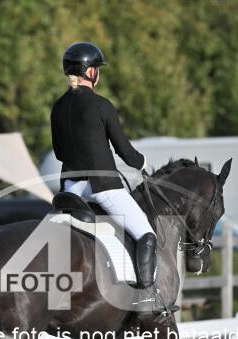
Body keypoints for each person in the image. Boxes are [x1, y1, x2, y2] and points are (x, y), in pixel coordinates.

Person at [50, 41, 166, 320]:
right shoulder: (101, 105)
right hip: (102, 188)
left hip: (71, 191)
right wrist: (143, 164)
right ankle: (146, 300)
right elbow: (124, 150)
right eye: (97, 69)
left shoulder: (58, 107)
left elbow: (59, 153)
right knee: (146, 234)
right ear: (91, 72)